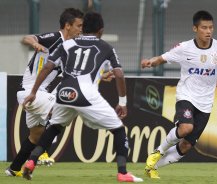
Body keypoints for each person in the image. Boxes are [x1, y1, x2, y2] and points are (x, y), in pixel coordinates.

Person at [21, 11, 143, 182]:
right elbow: (119, 75)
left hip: (63, 93)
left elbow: (47, 67)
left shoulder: (68, 44)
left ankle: (31, 161)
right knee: (119, 129)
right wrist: (122, 102)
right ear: (101, 30)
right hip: (86, 93)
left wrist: (33, 92)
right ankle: (123, 172)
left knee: (55, 127)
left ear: (83, 28)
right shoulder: (106, 47)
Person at [141, 10, 217, 179]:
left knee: (186, 146)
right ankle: (158, 151)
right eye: (204, 27)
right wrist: (151, 61)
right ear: (195, 28)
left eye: (211, 28)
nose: (208, 31)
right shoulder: (185, 48)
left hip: (206, 103)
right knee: (186, 127)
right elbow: (163, 58)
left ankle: (152, 167)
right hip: (186, 96)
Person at [5, 8, 84, 177]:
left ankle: (13, 169)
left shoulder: (70, 48)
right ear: (67, 26)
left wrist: (104, 74)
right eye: (78, 25)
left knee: (35, 135)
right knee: (60, 109)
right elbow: (27, 38)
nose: (81, 29)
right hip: (29, 92)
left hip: (37, 93)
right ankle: (42, 154)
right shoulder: (55, 38)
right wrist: (35, 43)